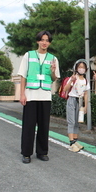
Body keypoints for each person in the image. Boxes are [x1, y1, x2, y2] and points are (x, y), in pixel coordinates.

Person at [18, 31, 60, 164]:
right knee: (29, 126)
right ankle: (26, 153)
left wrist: (53, 71)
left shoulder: (53, 58)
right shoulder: (28, 55)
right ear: (38, 41)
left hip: (45, 96)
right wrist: (22, 94)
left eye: (47, 40)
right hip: (30, 95)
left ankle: (42, 152)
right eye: (42, 40)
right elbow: (23, 76)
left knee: (43, 126)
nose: (44, 42)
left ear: (50, 43)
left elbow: (54, 78)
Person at [64, 59, 90, 152]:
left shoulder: (86, 81)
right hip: (72, 99)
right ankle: (71, 143)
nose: (81, 69)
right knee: (71, 121)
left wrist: (85, 106)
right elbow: (65, 89)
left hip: (80, 101)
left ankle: (75, 141)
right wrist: (71, 79)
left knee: (77, 122)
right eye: (80, 67)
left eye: (83, 67)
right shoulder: (74, 78)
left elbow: (86, 94)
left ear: (86, 69)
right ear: (76, 68)